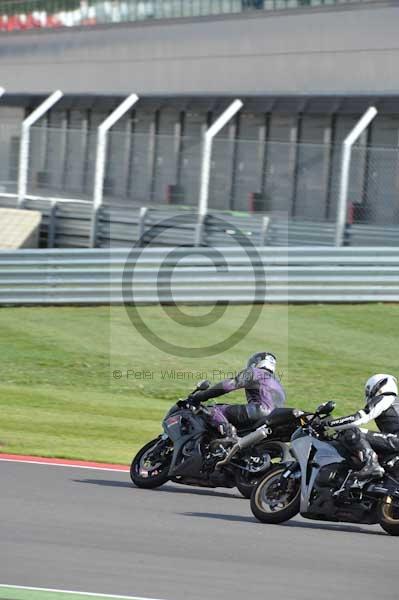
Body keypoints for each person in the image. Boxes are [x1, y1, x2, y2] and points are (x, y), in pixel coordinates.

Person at [188, 352, 286, 439]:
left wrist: (201, 396)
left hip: (258, 411)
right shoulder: (278, 383)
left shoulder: (254, 372)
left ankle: (229, 436)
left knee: (213, 410)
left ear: (258, 362)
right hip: (273, 417)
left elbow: (228, 385)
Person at [326, 374, 399, 480]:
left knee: (352, 430)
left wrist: (330, 424)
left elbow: (358, 419)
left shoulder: (386, 398)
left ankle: (371, 464)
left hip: (396, 440)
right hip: (394, 440)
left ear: (377, 387)